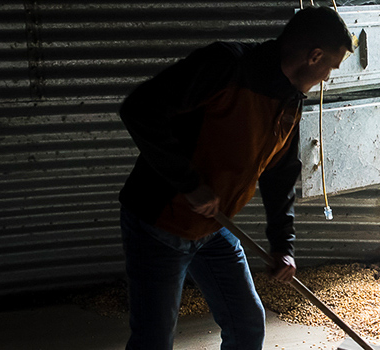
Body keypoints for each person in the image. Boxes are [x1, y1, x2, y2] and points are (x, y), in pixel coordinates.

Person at [115, 7, 352, 350]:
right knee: (154, 339)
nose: (328, 77)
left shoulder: (290, 101)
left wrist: (283, 247)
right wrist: (189, 185)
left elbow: (280, 175)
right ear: (314, 56)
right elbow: (139, 108)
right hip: (161, 223)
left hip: (213, 227)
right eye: (330, 66)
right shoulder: (226, 66)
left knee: (247, 325)